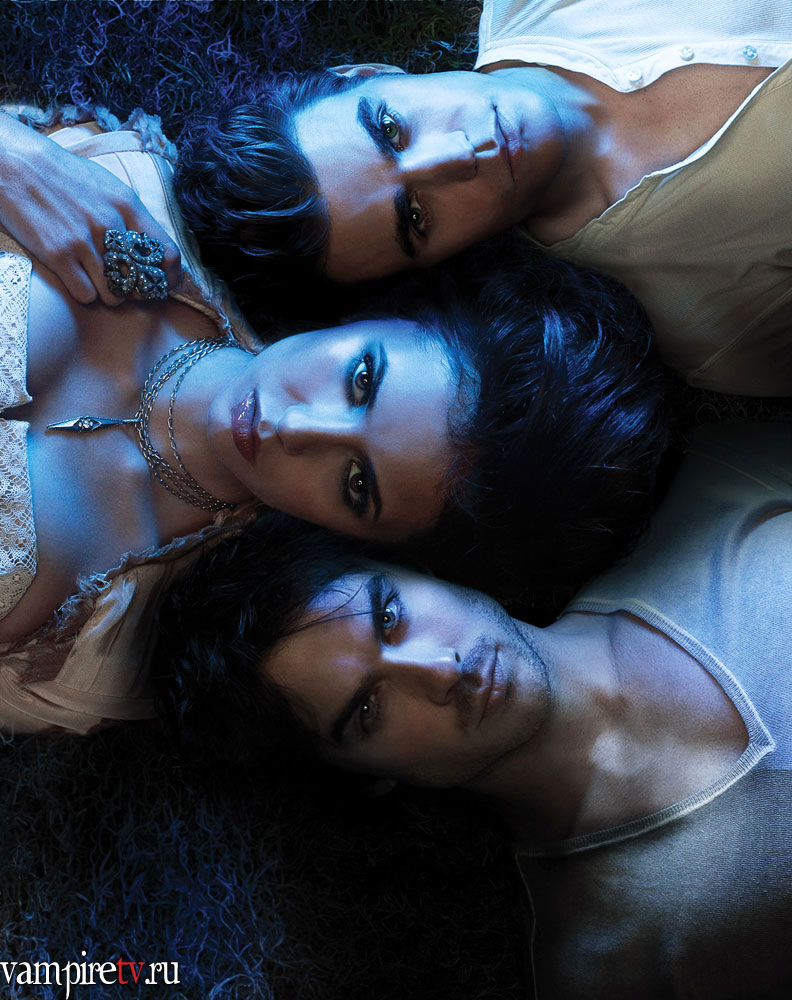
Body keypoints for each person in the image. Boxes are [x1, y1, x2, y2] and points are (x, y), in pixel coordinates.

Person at [0, 108, 667, 734]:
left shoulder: (96, 650)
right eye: (361, 379)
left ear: (361, 539)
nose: (295, 429)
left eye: (355, 484)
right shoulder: (135, 189)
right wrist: (15, 154)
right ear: (379, 316)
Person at [155, 420, 792, 998]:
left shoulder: (719, 489)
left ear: (421, 569)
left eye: (389, 615)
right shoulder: (602, 966)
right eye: (369, 708)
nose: (440, 670)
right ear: (366, 776)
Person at [175, 1, 792, 396]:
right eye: (416, 217)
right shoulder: (708, 321)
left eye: (390, 129)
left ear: (368, 75)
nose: (458, 156)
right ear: (442, 261)